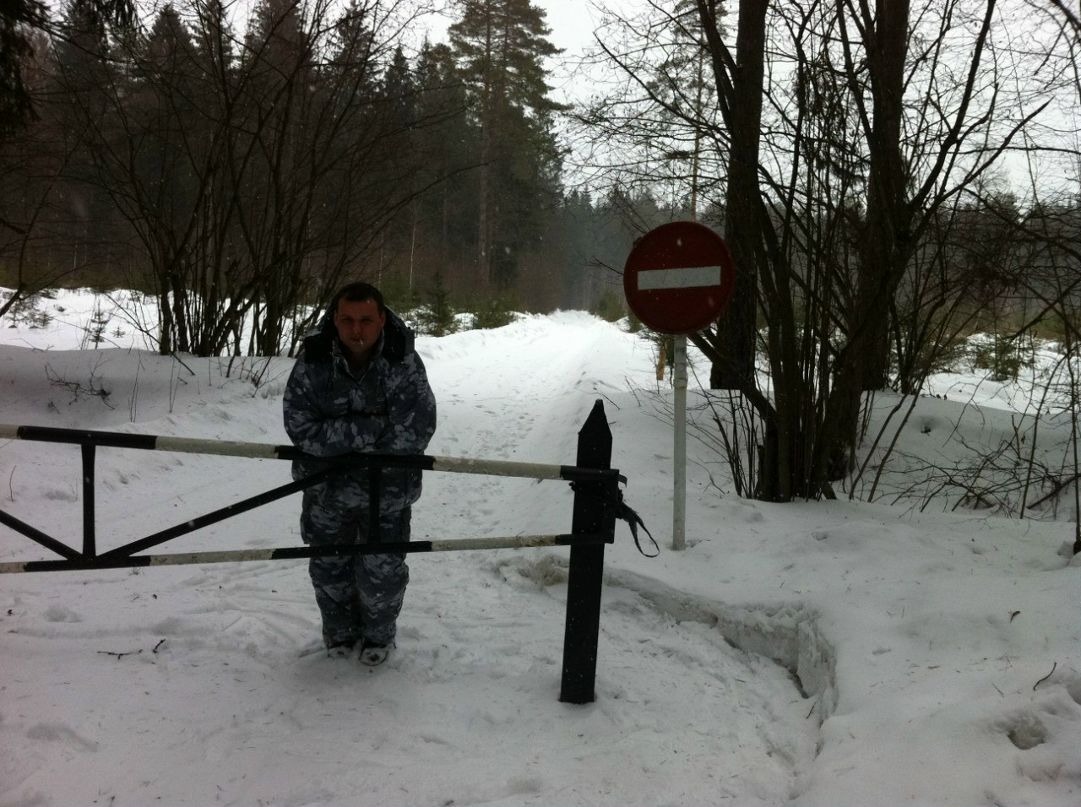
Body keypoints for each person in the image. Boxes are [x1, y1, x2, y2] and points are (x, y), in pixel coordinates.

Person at [283, 282, 436, 665]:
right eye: (347, 320)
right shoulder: (315, 359)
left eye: (366, 320)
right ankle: (338, 637)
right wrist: (370, 429)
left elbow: (415, 432)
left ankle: (378, 641)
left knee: (380, 577)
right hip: (325, 493)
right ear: (335, 319)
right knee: (329, 572)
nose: (356, 330)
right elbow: (301, 429)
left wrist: (338, 436)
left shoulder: (403, 361)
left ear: (382, 319)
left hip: (385, 495)